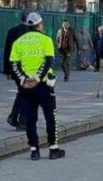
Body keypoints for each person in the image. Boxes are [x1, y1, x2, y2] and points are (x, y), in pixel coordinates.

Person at [9, 13, 64, 161]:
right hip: (44, 85)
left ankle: (34, 150)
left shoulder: (18, 42)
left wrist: (23, 79)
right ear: (39, 25)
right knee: (50, 116)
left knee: (30, 118)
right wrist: (38, 78)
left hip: (26, 87)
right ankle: (53, 149)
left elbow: (14, 64)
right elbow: (48, 61)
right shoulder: (46, 40)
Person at [3, 14, 31, 131]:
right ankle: (22, 121)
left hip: (15, 68)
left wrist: (7, 71)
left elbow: (7, 52)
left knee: (22, 92)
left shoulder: (12, 31)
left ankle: (13, 117)